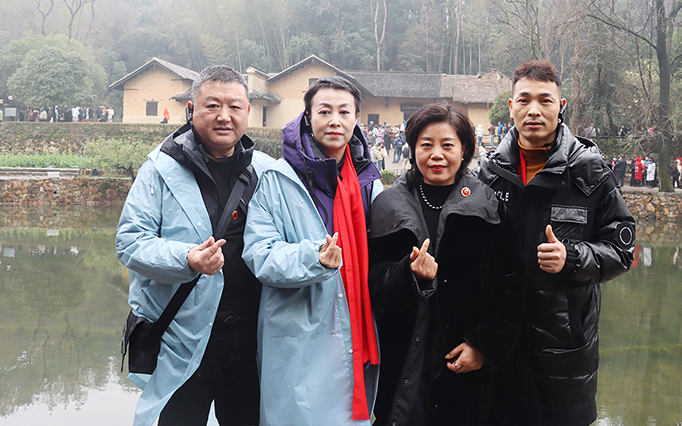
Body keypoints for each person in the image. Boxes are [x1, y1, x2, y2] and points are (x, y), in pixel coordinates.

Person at [476, 60, 635, 426]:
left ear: (560, 106)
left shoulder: (589, 171)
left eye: (545, 100)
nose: (534, 110)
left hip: (564, 346)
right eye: (524, 100)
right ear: (511, 107)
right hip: (498, 339)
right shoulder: (488, 172)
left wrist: (573, 257)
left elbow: (621, 250)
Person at [116, 66, 273, 426]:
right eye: (212, 105)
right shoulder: (160, 169)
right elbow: (130, 242)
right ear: (191, 109)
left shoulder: (267, 171)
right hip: (182, 336)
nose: (224, 116)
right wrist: (186, 258)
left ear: (248, 112)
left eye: (235, 107)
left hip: (251, 337)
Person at [368, 103, 524, 426]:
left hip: (464, 360)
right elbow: (373, 283)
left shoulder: (488, 206)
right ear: (413, 149)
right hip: (403, 357)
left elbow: (512, 283)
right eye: (426, 145)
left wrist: (483, 345)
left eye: (447, 145)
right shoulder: (387, 206)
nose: (436, 155)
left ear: (464, 149)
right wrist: (408, 275)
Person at [243, 76, 382, 426]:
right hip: (298, 328)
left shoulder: (369, 182)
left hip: (358, 321)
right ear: (308, 117)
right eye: (324, 111)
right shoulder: (279, 178)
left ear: (356, 119)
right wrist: (314, 259)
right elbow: (259, 253)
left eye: (344, 112)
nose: (335, 120)